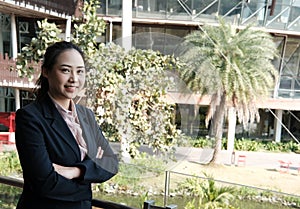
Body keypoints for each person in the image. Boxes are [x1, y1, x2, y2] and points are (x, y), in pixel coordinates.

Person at [15, 41, 119, 209]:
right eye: (65, 70)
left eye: (80, 72)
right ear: (46, 71)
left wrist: (75, 171)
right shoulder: (30, 118)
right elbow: (44, 183)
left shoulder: (87, 116)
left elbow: (111, 163)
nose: (74, 79)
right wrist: (88, 185)